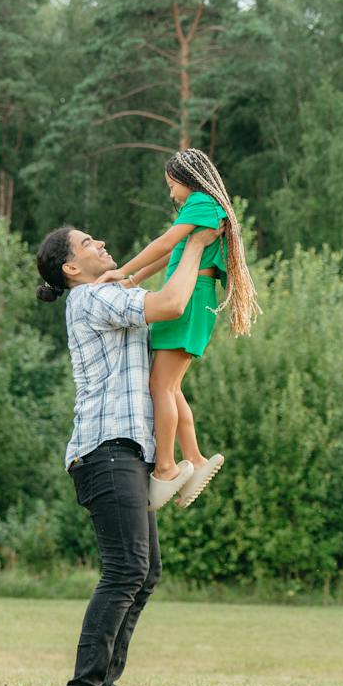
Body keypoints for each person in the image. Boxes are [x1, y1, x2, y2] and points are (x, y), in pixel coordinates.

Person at [34, 222, 219, 686]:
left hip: (124, 452)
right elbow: (171, 304)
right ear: (72, 268)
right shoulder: (91, 299)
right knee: (125, 569)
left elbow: (151, 263)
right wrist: (197, 243)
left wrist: (184, 244)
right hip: (104, 450)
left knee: (145, 571)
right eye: (87, 242)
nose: (99, 241)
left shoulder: (109, 290)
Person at [100, 149, 261, 511]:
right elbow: (167, 255)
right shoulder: (201, 208)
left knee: (161, 386)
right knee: (170, 387)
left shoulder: (202, 202)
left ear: (186, 180)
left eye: (171, 185)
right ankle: (195, 458)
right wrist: (133, 278)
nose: (171, 193)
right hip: (192, 299)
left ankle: (167, 467)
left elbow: (165, 244)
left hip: (190, 301)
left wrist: (120, 269)